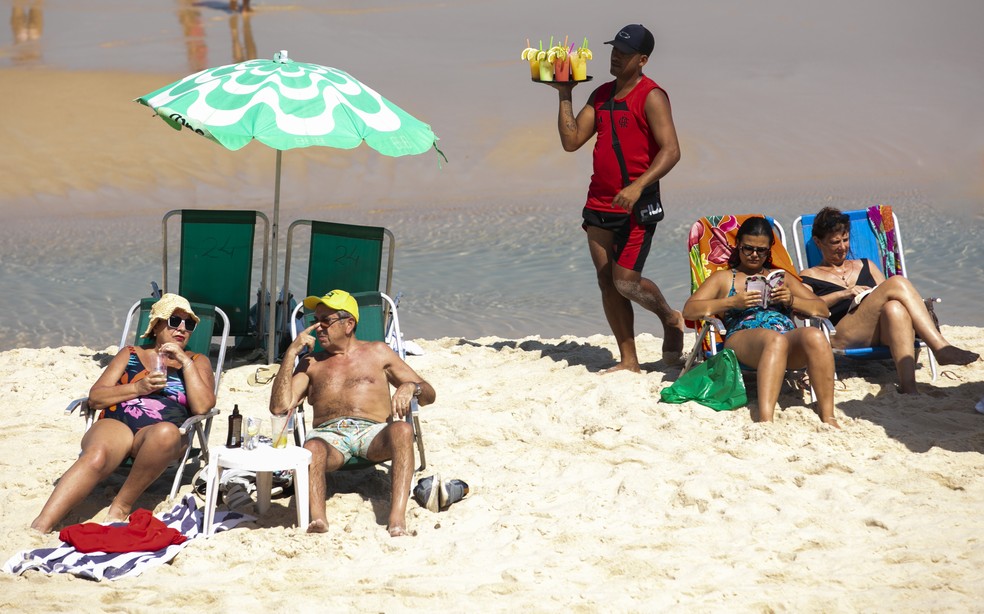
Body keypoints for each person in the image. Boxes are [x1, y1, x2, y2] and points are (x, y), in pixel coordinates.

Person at [548, 23, 685, 373]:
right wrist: (565, 93)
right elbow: (572, 140)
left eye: (624, 52)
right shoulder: (602, 94)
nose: (616, 55)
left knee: (626, 281)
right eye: (614, 49)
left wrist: (638, 186)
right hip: (599, 202)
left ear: (642, 59)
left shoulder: (652, 96)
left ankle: (670, 318)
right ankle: (629, 361)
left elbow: (671, 151)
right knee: (607, 282)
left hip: (638, 203)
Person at [31, 294, 216, 533]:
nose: (182, 328)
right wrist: (139, 388)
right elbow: (96, 397)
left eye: (188, 325)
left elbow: (203, 407)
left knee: (166, 433)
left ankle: (121, 505)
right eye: (174, 321)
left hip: (161, 435)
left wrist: (184, 361)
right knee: (96, 456)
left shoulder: (196, 361)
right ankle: (40, 525)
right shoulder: (130, 354)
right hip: (117, 425)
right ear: (157, 324)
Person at [269, 290, 435, 537]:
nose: (318, 328)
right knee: (312, 447)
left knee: (402, 429)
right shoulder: (311, 362)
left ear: (349, 324)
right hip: (329, 438)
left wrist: (412, 387)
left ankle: (397, 518)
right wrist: (291, 354)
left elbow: (429, 394)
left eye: (326, 321)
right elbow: (279, 407)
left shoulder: (378, 352)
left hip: (374, 434)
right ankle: (318, 519)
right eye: (314, 320)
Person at [799, 207, 979, 393]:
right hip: (843, 334)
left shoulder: (866, 265)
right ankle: (940, 347)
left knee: (894, 307)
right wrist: (844, 294)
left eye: (845, 240)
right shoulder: (809, 275)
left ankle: (908, 387)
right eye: (835, 242)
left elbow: (892, 293)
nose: (843, 247)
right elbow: (806, 308)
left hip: (879, 331)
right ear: (817, 242)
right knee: (897, 282)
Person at [682, 218, 839, 426]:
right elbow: (690, 310)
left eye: (761, 250)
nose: (755, 255)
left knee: (816, 336)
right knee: (774, 340)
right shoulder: (724, 278)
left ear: (769, 250)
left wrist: (791, 300)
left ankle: (828, 416)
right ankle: (766, 420)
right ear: (738, 244)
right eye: (748, 249)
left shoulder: (781, 277)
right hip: (743, 339)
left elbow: (822, 310)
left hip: (785, 340)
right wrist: (731, 302)